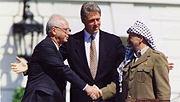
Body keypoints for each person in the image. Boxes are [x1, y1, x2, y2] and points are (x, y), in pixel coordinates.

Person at [11, 15, 101, 102]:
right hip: (41, 98)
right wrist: (87, 88)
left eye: (69, 30)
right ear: (54, 31)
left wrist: (29, 66)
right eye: (65, 30)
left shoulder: (55, 49)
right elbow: (62, 69)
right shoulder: (45, 46)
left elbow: (46, 65)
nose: (69, 33)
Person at [119, 20, 171, 102]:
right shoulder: (129, 60)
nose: (128, 40)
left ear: (140, 38)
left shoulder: (156, 57)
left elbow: (163, 92)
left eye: (131, 37)